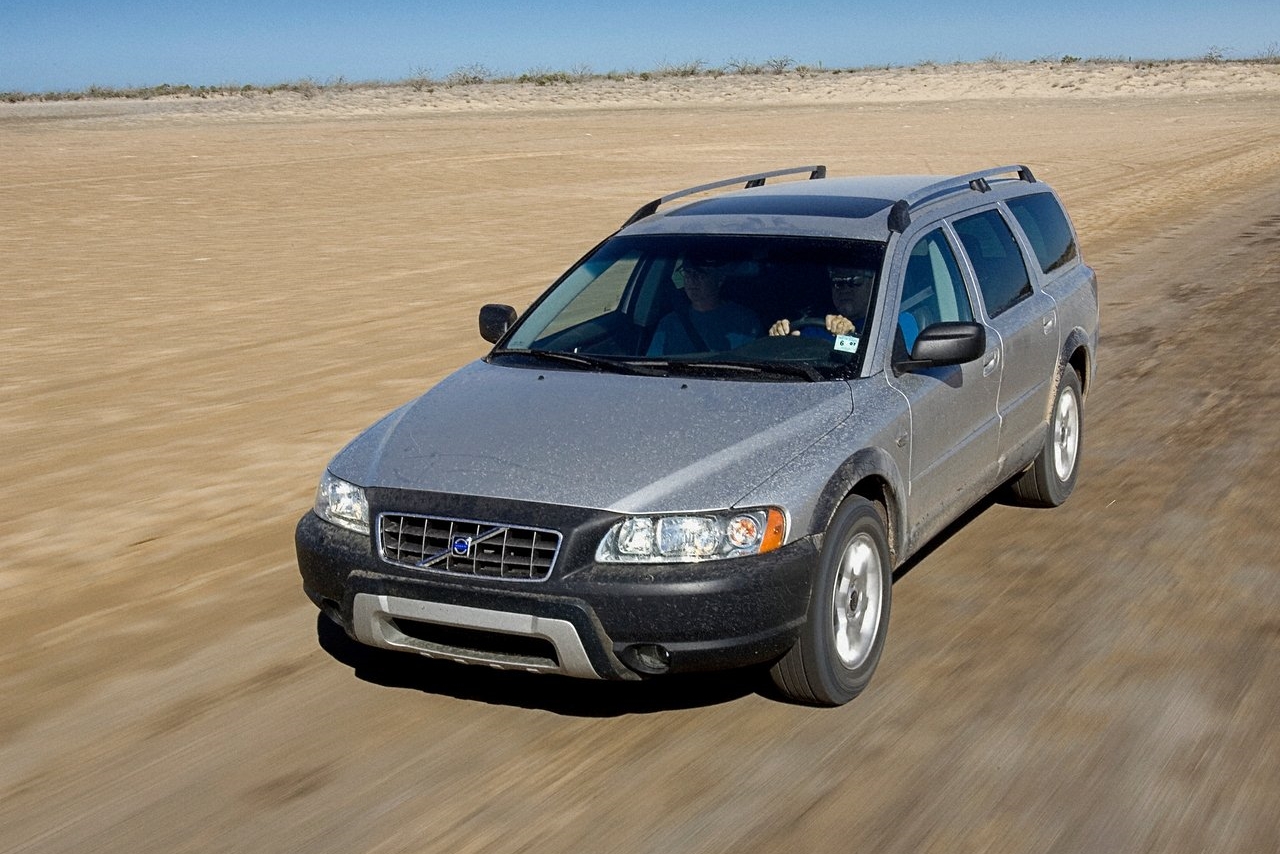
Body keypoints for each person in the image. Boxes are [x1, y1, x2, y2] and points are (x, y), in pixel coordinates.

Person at [647, 254, 761, 355]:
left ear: (719, 280)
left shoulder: (745, 323)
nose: (692, 280)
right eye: (688, 273)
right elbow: (652, 366)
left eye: (700, 274)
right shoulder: (669, 324)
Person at [768, 264, 876, 340]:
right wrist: (780, 337)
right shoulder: (816, 328)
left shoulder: (879, 330)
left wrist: (851, 337)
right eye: (837, 283)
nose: (845, 289)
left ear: (872, 284)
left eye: (855, 281)